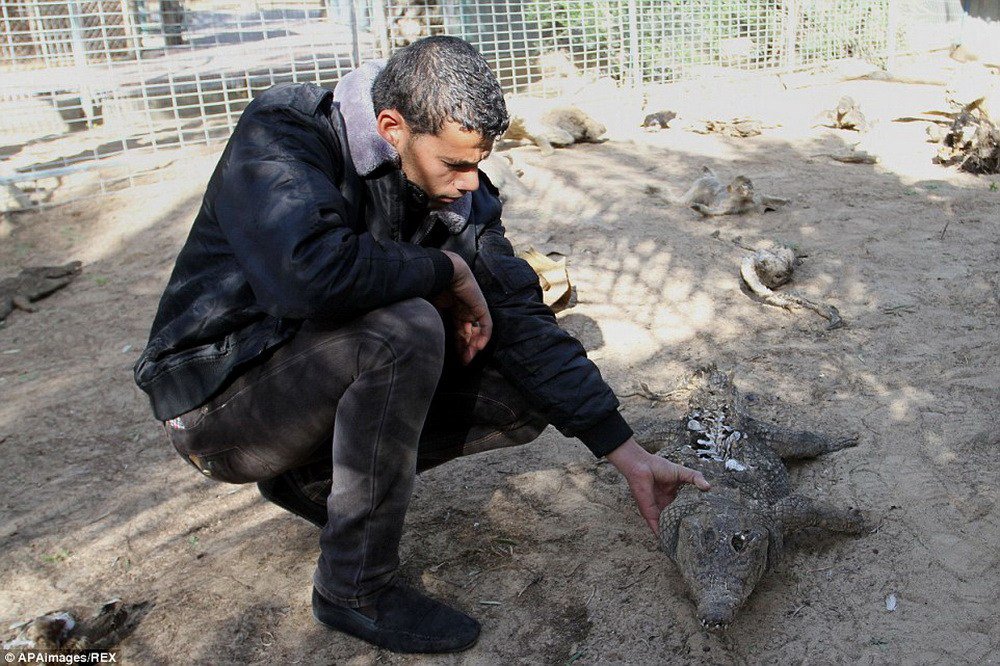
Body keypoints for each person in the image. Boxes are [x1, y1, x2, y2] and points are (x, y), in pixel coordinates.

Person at [133, 36, 709, 654]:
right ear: (392, 127)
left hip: (303, 382)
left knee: (522, 381)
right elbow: (307, 274)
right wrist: (445, 273)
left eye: (478, 163)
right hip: (214, 408)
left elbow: (520, 317)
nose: (468, 184)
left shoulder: (460, 190)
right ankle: (353, 589)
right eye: (454, 165)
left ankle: (313, 483)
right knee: (405, 329)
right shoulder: (284, 132)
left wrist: (623, 450)